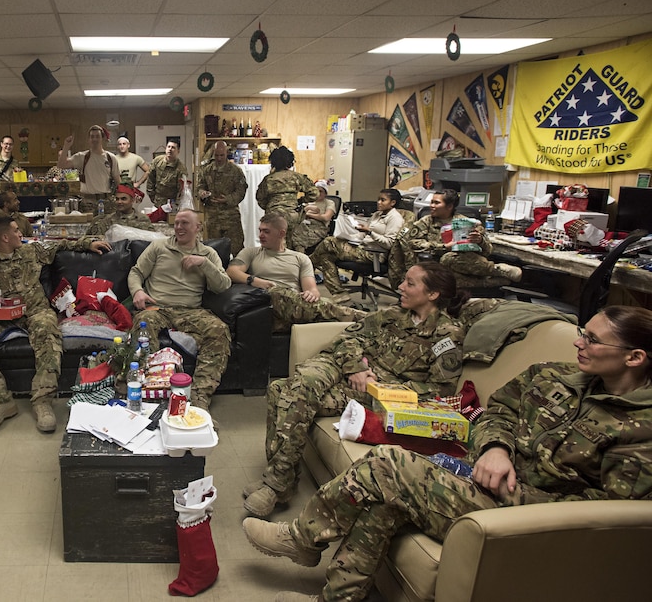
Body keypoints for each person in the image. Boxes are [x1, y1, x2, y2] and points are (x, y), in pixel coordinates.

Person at [243, 305, 652, 602]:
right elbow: (499, 410)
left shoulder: (641, 430)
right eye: (582, 331)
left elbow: (613, 516)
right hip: (482, 474)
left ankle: (302, 538)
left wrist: (519, 494)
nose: (579, 343)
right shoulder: (556, 374)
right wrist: (495, 447)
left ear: (634, 357)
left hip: (528, 515)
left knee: (391, 464)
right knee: (384, 503)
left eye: (593, 340)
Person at [242, 261, 466, 517]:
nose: (400, 286)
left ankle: (278, 482)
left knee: (282, 391)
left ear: (433, 294)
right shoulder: (394, 314)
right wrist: (357, 367)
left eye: (410, 283)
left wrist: (381, 387)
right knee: (303, 383)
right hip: (348, 369)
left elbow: (440, 390)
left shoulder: (446, 334)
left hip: (379, 392)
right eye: (403, 280)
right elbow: (348, 337)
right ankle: (279, 482)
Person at [0, 217, 111, 433]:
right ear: (5, 237)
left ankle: (43, 401)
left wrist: (88, 243)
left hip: (35, 312)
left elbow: (61, 244)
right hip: (2, 317)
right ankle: (0, 402)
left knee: (49, 331)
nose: (20, 233)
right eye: (15, 230)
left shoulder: (32, 252)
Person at [128, 210, 232, 417]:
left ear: (198, 228)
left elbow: (223, 286)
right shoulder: (159, 246)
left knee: (219, 330)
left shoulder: (208, 254)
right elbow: (136, 272)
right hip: (158, 308)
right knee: (143, 325)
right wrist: (138, 291)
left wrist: (204, 263)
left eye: (185, 223)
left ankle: (200, 399)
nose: (179, 228)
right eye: (176, 223)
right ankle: (149, 396)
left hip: (191, 310)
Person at [227, 214, 365, 331]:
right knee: (276, 293)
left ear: (281, 233)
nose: (261, 235)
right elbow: (232, 271)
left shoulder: (300, 258)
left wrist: (311, 294)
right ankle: (362, 316)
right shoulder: (251, 253)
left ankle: (364, 320)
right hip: (268, 303)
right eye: (260, 230)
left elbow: (312, 289)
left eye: (266, 231)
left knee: (340, 326)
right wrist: (256, 281)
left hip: (296, 306)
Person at [387, 189, 521, 288]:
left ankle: (496, 272)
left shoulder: (467, 222)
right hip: (436, 264)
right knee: (446, 265)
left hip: (466, 262)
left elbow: (488, 251)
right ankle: (493, 277)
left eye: (436, 203)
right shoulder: (426, 222)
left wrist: (479, 241)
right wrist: (443, 247)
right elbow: (414, 243)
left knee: (453, 261)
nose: (431, 206)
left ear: (449, 206)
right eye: (431, 202)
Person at [310, 189, 406, 301]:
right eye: (378, 199)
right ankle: (339, 293)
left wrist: (370, 232)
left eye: (383, 200)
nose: (378, 202)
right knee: (325, 257)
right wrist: (352, 237)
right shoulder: (377, 214)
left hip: (373, 254)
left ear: (392, 203)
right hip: (362, 247)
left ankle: (308, 265)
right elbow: (364, 236)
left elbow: (389, 243)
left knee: (329, 242)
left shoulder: (395, 218)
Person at [256, 146, 319, 250]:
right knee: (292, 245)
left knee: (274, 246)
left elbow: (260, 198)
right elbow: (314, 193)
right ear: (290, 162)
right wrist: (300, 201)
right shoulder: (297, 177)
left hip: (273, 216)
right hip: (292, 215)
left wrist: (270, 206)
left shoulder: (268, 179)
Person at [197, 141, 248, 255]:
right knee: (214, 249)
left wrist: (228, 199)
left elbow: (241, 191)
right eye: (217, 155)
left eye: (222, 155)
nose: (219, 158)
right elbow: (200, 187)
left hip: (231, 216)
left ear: (226, 153)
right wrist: (202, 193)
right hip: (212, 216)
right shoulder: (207, 170)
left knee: (236, 249)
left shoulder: (235, 171)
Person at [58, 125, 121, 213]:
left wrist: (121, 200)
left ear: (102, 138)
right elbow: (61, 165)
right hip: (88, 203)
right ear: (89, 139)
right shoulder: (81, 157)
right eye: (92, 137)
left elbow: (118, 181)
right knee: (88, 226)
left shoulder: (111, 158)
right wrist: (66, 146)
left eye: (97, 136)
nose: (94, 139)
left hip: (107, 202)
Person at [290, 180, 337, 252]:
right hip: (304, 224)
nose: (318, 193)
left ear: (325, 193)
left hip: (318, 228)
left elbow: (326, 217)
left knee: (299, 239)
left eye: (321, 191)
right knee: (290, 232)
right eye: (317, 191)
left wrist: (309, 214)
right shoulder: (309, 202)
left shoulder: (329, 203)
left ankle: (301, 258)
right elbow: (300, 215)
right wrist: (307, 210)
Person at [87, 185, 153, 237]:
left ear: (132, 200)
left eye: (123, 199)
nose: (119, 202)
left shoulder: (143, 219)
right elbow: (95, 240)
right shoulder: (108, 220)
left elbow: (152, 239)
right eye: (117, 199)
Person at [146, 140, 185, 209]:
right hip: (157, 202)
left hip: (172, 203)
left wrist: (176, 204)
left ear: (178, 151)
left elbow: (181, 189)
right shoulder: (157, 161)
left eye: (173, 147)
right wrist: (153, 197)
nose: (170, 149)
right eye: (168, 147)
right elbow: (150, 179)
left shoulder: (180, 168)